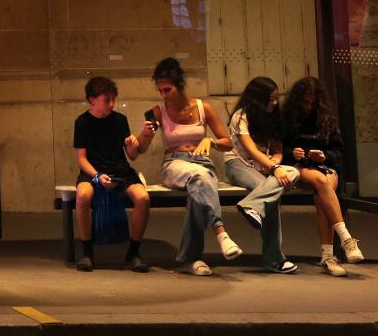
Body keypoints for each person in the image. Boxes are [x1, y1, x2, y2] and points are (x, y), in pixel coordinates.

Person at [146, 56, 242, 275]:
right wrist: (141, 136)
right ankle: (221, 233)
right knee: (200, 177)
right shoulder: (158, 111)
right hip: (174, 164)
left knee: (200, 184)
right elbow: (139, 148)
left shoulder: (203, 108)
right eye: (160, 91)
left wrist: (211, 141)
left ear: (179, 86)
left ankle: (191, 259)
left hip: (202, 163)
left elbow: (228, 142)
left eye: (167, 90)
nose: (163, 95)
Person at [280, 75, 365, 275]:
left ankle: (328, 257)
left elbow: (339, 151)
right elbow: (277, 149)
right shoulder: (287, 118)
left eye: (313, 103)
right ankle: (346, 240)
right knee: (321, 182)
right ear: (297, 100)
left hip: (325, 166)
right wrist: (292, 152)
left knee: (323, 188)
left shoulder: (327, 119)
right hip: (298, 167)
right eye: (305, 102)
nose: (309, 107)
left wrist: (324, 156)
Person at [70, 74, 152, 272]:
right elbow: (81, 158)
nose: (112, 104)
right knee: (82, 195)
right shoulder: (82, 122)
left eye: (113, 99)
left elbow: (132, 156)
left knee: (143, 198)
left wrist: (133, 143)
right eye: (107, 100)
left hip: (120, 170)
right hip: (92, 171)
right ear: (92, 100)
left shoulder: (120, 120)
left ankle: (133, 252)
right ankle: (88, 251)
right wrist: (97, 176)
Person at [223, 76, 301, 274]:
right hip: (238, 164)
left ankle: (251, 205)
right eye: (271, 99)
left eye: (276, 98)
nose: (275, 103)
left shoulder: (275, 117)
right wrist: (274, 169)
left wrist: (274, 163)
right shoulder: (241, 116)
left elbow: (277, 151)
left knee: (293, 171)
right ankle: (274, 259)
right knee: (272, 198)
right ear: (258, 98)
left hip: (264, 167)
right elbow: (251, 152)